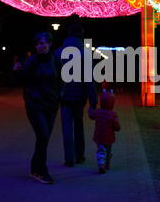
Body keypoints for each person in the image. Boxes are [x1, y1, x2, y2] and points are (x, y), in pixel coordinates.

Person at [14, 32, 62, 184]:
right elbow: (21, 78)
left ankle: (35, 168)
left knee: (44, 138)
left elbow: (61, 79)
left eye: (44, 43)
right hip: (35, 106)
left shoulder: (55, 60)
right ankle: (41, 171)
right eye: (39, 44)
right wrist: (16, 71)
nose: (42, 46)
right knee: (43, 136)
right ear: (35, 46)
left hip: (51, 105)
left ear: (49, 44)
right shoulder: (31, 61)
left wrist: (60, 94)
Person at [55, 23, 98, 167]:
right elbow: (89, 80)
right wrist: (93, 102)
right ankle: (80, 156)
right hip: (80, 96)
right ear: (81, 35)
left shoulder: (58, 52)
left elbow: (53, 77)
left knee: (66, 127)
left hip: (63, 95)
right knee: (78, 125)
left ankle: (69, 159)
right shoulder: (85, 53)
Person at [88, 91, 120, 174]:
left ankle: (101, 165)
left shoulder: (98, 112)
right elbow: (116, 126)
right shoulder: (113, 115)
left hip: (99, 137)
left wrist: (91, 108)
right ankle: (107, 165)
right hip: (109, 138)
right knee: (108, 151)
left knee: (100, 150)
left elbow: (91, 115)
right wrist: (118, 128)